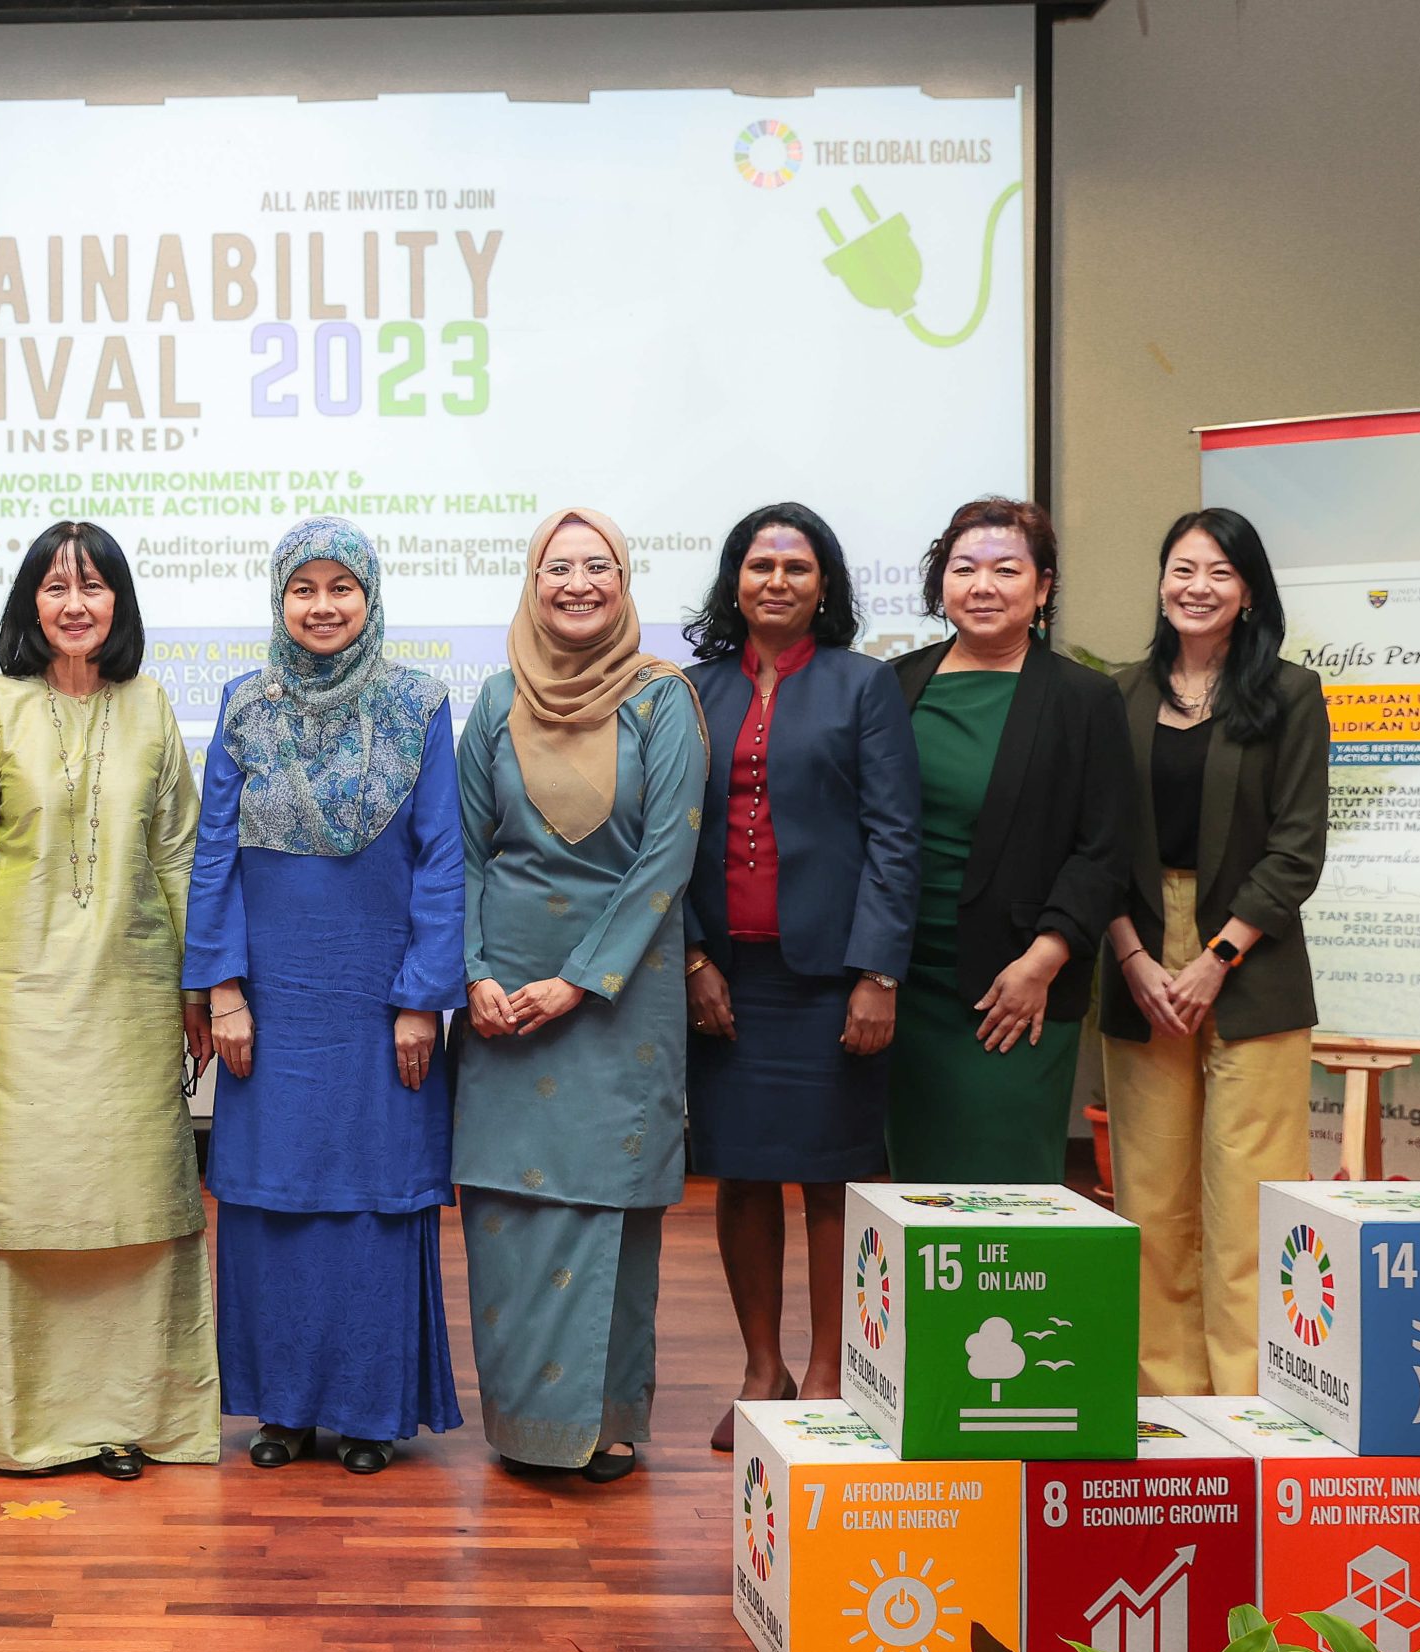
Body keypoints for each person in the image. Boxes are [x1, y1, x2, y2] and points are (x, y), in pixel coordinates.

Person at [0, 521, 217, 1480]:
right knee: (19, 1205)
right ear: (30, 605)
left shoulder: (151, 704)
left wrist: (198, 987)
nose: (76, 604)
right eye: (56, 587)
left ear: (119, 603)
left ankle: (130, 1419)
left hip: (132, 998)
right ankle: (11, 1427)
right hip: (13, 1002)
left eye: (93, 587)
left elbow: (180, 853)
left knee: (133, 1205)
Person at [185, 517, 465, 1476]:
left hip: (378, 1000)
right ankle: (285, 1410)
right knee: (274, 1200)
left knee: (374, 1200)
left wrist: (422, 998)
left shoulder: (421, 704)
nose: (322, 605)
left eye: (341, 587)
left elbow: (441, 859)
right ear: (280, 601)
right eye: (302, 589)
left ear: (369, 597)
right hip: (271, 1003)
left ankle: (371, 1411)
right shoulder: (244, 705)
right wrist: (223, 989)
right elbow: (213, 855)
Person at [453, 506, 706, 1483]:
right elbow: (465, 853)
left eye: (597, 566)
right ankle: (524, 1424)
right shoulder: (494, 700)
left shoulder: (662, 699)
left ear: (624, 581)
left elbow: (665, 859)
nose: (577, 583)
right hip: (501, 1000)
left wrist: (576, 980)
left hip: (618, 993)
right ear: (532, 582)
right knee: (510, 1214)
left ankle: (606, 1421)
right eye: (556, 568)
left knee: (608, 1208)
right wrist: (475, 971)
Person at [681, 503, 920, 1453]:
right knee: (741, 1175)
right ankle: (761, 1369)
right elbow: (666, 840)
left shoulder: (864, 686)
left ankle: (828, 1373)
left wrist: (878, 974)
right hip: (726, 978)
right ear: (734, 582)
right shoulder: (692, 690)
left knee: (830, 1180)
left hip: (830, 979)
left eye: (797, 566)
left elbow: (896, 838)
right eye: (759, 564)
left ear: (825, 587)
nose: (776, 580)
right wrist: (694, 958)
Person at [1099, 509, 1328, 1396]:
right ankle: (1165, 1399)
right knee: (1151, 1196)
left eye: (1220, 572)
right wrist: (1132, 956)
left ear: (1249, 592)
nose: (1198, 587)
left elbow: (1297, 849)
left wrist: (1215, 958)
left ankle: (1249, 1397)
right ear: (1162, 580)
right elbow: (1095, 842)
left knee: (1250, 1198)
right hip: (1137, 950)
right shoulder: (1118, 694)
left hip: (1251, 955)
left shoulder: (1290, 694)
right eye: (1183, 568)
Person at [887, 497, 1135, 1182]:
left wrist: (1043, 961)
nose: (983, 586)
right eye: (964, 568)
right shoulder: (895, 685)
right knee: (917, 1192)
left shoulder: (1084, 699)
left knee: (1008, 1193)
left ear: (1043, 587)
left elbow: (1105, 848)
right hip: (905, 985)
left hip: (1018, 984)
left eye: (1006, 569)